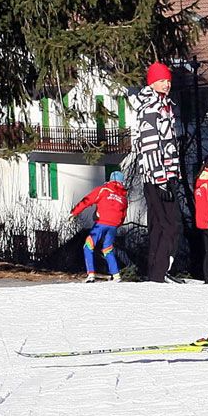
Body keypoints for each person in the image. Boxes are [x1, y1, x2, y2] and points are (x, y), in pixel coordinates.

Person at [135, 62, 182, 282]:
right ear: (151, 82)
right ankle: (161, 271)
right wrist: (161, 178)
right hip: (157, 177)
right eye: (162, 80)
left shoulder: (165, 105)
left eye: (168, 80)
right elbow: (150, 144)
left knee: (158, 225)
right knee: (170, 225)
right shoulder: (151, 108)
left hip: (163, 174)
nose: (167, 84)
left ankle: (156, 273)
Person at [70, 171, 127, 282]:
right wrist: (116, 224)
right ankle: (116, 275)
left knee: (88, 245)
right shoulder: (123, 197)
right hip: (114, 225)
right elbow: (123, 215)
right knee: (107, 248)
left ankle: (91, 274)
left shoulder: (103, 190)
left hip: (101, 223)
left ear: (110, 180)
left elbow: (87, 200)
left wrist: (74, 212)